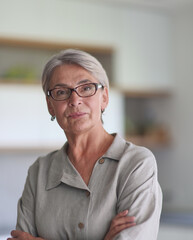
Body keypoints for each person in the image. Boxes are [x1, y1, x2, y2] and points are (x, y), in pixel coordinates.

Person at [8, 49, 162, 240]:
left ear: (104, 97)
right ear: (50, 105)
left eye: (86, 88)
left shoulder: (136, 163)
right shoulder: (39, 172)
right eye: (61, 92)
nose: (75, 100)